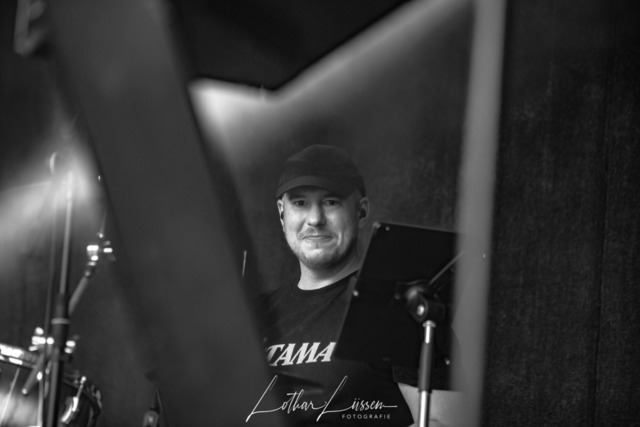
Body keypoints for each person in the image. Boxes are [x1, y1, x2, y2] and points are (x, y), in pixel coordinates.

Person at [257, 144, 423, 426]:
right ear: (282, 213)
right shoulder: (256, 315)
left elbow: (446, 422)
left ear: (361, 212)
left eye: (331, 202)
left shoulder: (405, 307)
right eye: (300, 203)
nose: (315, 219)